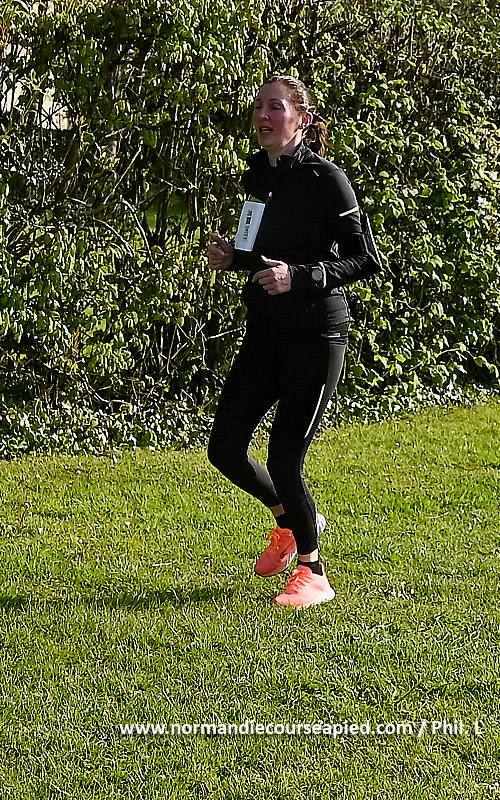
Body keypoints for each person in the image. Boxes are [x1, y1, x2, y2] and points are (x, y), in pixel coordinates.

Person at [206, 75, 380, 607]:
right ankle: (289, 521)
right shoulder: (258, 176)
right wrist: (234, 257)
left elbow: (365, 259)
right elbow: (257, 248)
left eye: (275, 107)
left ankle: (313, 572)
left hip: (315, 334)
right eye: (258, 105)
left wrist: (298, 277)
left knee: (284, 458)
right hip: (265, 332)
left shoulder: (328, 180)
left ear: (301, 120)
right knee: (225, 447)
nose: (263, 114)